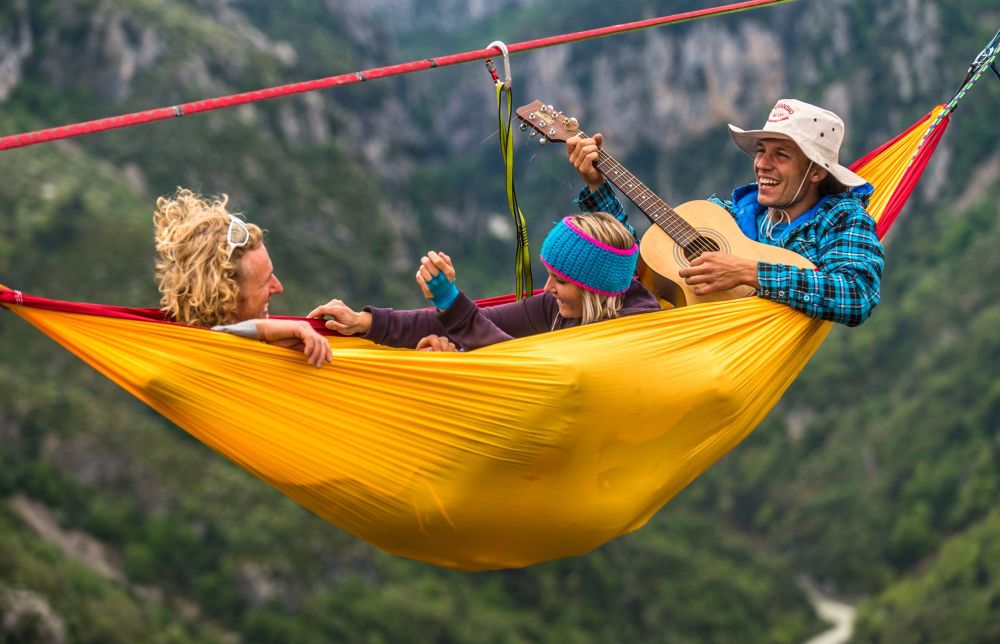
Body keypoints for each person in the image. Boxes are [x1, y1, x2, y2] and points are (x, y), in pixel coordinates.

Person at [565, 99, 884, 327]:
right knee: (559, 309)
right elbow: (637, 269)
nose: (762, 164)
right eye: (761, 151)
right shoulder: (722, 216)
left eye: (781, 154)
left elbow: (856, 294)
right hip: (672, 339)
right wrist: (598, 189)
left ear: (815, 173)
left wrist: (748, 272)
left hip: (748, 365)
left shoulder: (842, 219)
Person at [307, 212, 661, 351]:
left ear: (594, 289)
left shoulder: (635, 333)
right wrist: (365, 322)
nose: (548, 288)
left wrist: (449, 300)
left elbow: (530, 370)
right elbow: (482, 325)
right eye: (549, 274)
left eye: (561, 281)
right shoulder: (558, 308)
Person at [153, 187, 332, 367]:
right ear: (228, 297)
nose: (278, 287)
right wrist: (262, 331)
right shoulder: (186, 363)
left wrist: (360, 323)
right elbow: (216, 338)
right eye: (264, 282)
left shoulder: (277, 347)